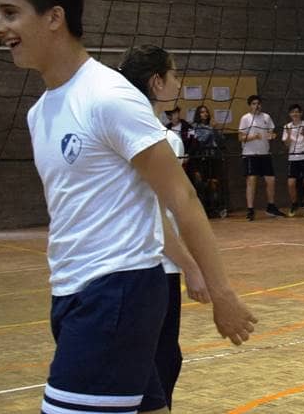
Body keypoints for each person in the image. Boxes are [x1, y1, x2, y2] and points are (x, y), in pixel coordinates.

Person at [0, 0, 255, 414]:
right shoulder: (40, 112)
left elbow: (182, 198)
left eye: (10, 13)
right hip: (71, 291)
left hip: (116, 290)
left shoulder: (108, 96)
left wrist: (221, 292)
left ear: (54, 17)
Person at [117, 44, 214, 409]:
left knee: (162, 360)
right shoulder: (161, 140)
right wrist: (193, 266)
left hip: (144, 267)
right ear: (157, 82)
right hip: (154, 267)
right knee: (158, 363)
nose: (179, 81)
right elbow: (159, 214)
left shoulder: (136, 130)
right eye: (174, 74)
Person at [239, 95, 288, 221]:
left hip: (265, 154)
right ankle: (250, 209)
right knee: (251, 180)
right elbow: (240, 137)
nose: (257, 106)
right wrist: (254, 137)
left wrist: (272, 135)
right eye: (254, 103)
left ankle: (271, 207)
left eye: (258, 103)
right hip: (250, 154)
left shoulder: (266, 117)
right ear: (250, 105)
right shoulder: (245, 118)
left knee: (271, 180)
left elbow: (271, 132)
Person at [189, 105, 227, 218]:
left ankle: (216, 208)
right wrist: (211, 129)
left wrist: (215, 129)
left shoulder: (212, 126)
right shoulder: (194, 127)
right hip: (201, 158)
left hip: (214, 157)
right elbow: (200, 140)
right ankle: (204, 209)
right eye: (202, 112)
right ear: (198, 114)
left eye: (206, 112)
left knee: (215, 183)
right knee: (202, 184)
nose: (204, 114)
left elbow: (222, 141)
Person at [283, 104, 304, 217]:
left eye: (297, 112)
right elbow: (286, 145)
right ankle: (294, 204)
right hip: (293, 158)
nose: (295, 114)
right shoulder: (287, 127)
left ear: (301, 113)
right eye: (293, 112)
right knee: (291, 183)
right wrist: (288, 135)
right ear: (290, 114)